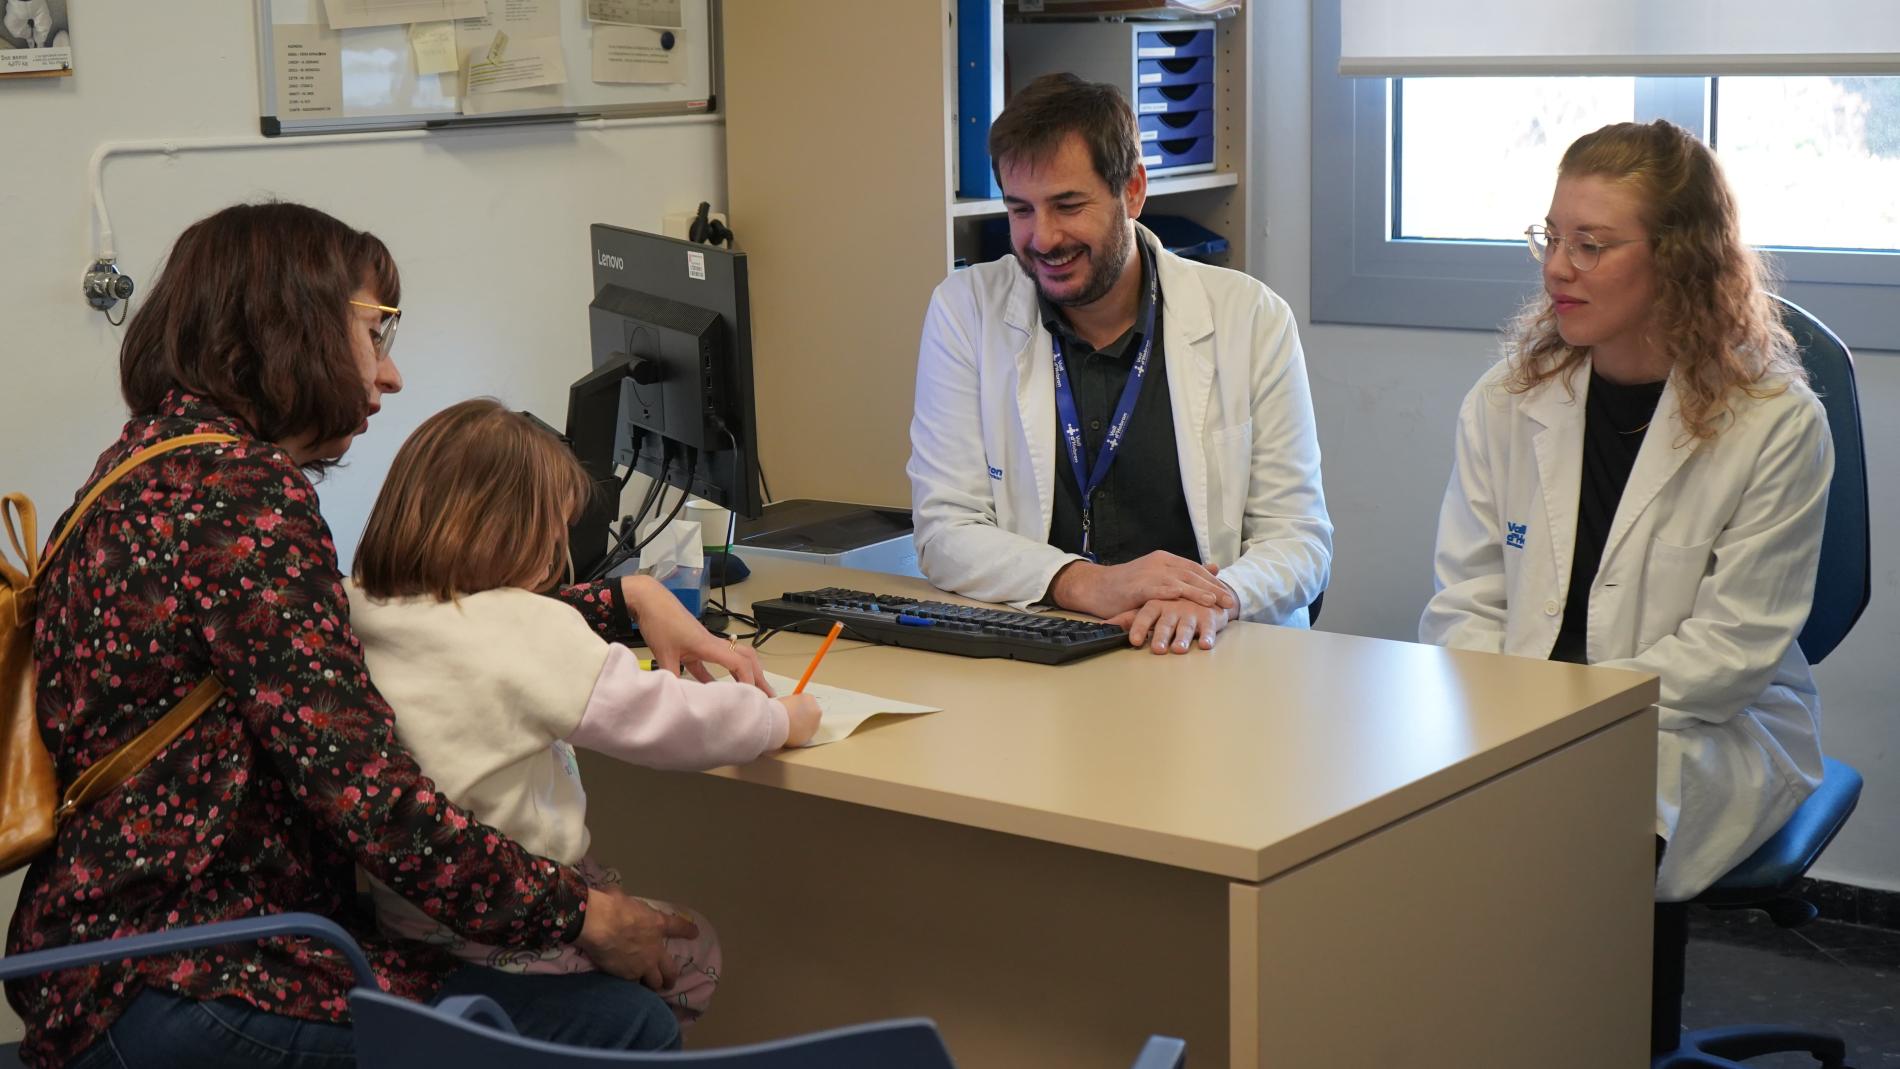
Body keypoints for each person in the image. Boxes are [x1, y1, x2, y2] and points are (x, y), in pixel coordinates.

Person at [6, 202, 773, 1068]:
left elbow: (370, 622)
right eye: (378, 331)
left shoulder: (149, 467)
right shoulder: (240, 494)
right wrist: (585, 913)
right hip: (193, 976)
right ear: (288, 324)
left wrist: (624, 600)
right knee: (621, 1026)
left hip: (111, 961)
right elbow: (372, 799)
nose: (393, 372)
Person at [1419, 120, 1831, 902]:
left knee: (1577, 841)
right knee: (1389, 827)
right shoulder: (1506, 403)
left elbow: (1731, 653)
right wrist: (1518, 716)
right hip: (1519, 713)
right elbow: (1464, 603)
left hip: (1696, 731)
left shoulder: (1775, 424)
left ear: (1678, 260)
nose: (1555, 269)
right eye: (1551, 236)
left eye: (1591, 245)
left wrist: (1565, 720)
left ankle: (1584, 1024)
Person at [345, 398, 822, 1022]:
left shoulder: (358, 608)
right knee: (696, 951)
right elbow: (669, 721)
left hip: (409, 917)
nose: (554, 559)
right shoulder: (527, 628)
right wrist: (780, 719)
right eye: (552, 533)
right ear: (509, 532)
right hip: (515, 929)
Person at [907, 73, 1331, 655]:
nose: (1042, 238)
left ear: (1132, 191)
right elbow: (944, 531)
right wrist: (1087, 583)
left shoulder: (1251, 318)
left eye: (1068, 205)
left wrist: (1213, 596)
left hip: (1211, 653)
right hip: (1048, 653)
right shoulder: (965, 311)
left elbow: (1300, 541)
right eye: (1020, 209)